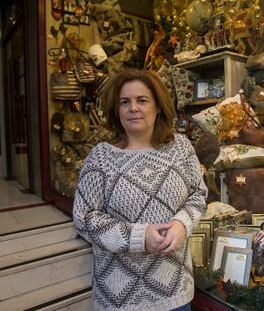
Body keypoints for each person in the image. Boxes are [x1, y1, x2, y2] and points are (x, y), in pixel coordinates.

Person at [73, 69, 207, 311]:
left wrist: (181, 224)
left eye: (142, 100)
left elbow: (198, 195)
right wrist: (139, 237)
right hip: (119, 298)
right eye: (125, 102)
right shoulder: (101, 157)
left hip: (175, 292)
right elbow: (85, 218)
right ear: (117, 110)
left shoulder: (180, 147)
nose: (133, 108)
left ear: (158, 107)